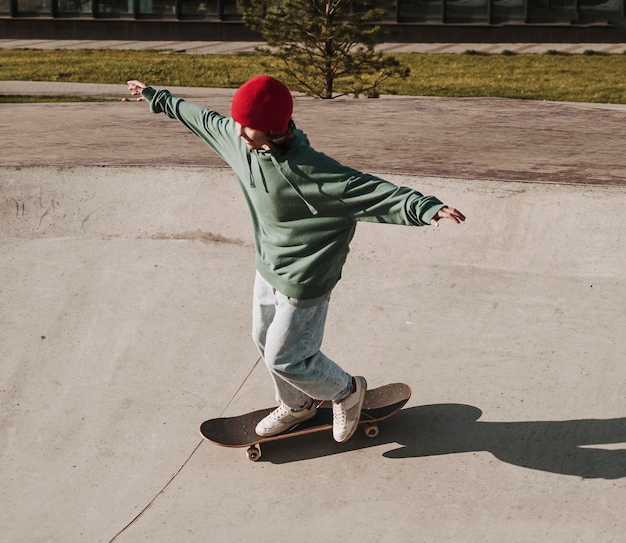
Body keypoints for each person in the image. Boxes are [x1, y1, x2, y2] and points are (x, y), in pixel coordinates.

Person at [127, 75, 465, 443]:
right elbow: (201, 119)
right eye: (237, 122)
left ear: (274, 129)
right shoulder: (238, 140)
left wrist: (425, 207)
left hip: (306, 279)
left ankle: (346, 391)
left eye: (249, 126)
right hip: (267, 267)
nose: (239, 132)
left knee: (284, 357)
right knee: (261, 339)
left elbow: (373, 191)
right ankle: (298, 404)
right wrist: (154, 96)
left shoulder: (316, 172)